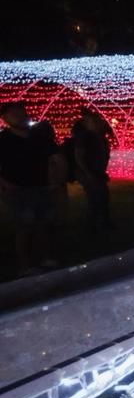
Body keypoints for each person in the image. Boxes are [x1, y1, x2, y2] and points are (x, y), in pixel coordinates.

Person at [0, 102, 57, 274]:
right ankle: (24, 265)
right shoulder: (3, 140)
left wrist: (56, 179)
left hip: (42, 186)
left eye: (20, 112)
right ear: (5, 119)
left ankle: (45, 258)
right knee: (25, 226)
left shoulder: (38, 136)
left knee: (43, 224)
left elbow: (54, 156)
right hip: (18, 190)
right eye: (13, 114)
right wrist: (3, 183)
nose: (19, 116)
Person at [71, 108, 113, 233]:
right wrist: (87, 172)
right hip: (88, 172)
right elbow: (79, 155)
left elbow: (104, 155)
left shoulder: (100, 137)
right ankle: (93, 225)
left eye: (98, 122)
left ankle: (103, 222)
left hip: (97, 172)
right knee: (95, 198)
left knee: (103, 196)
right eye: (93, 122)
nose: (98, 124)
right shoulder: (85, 137)